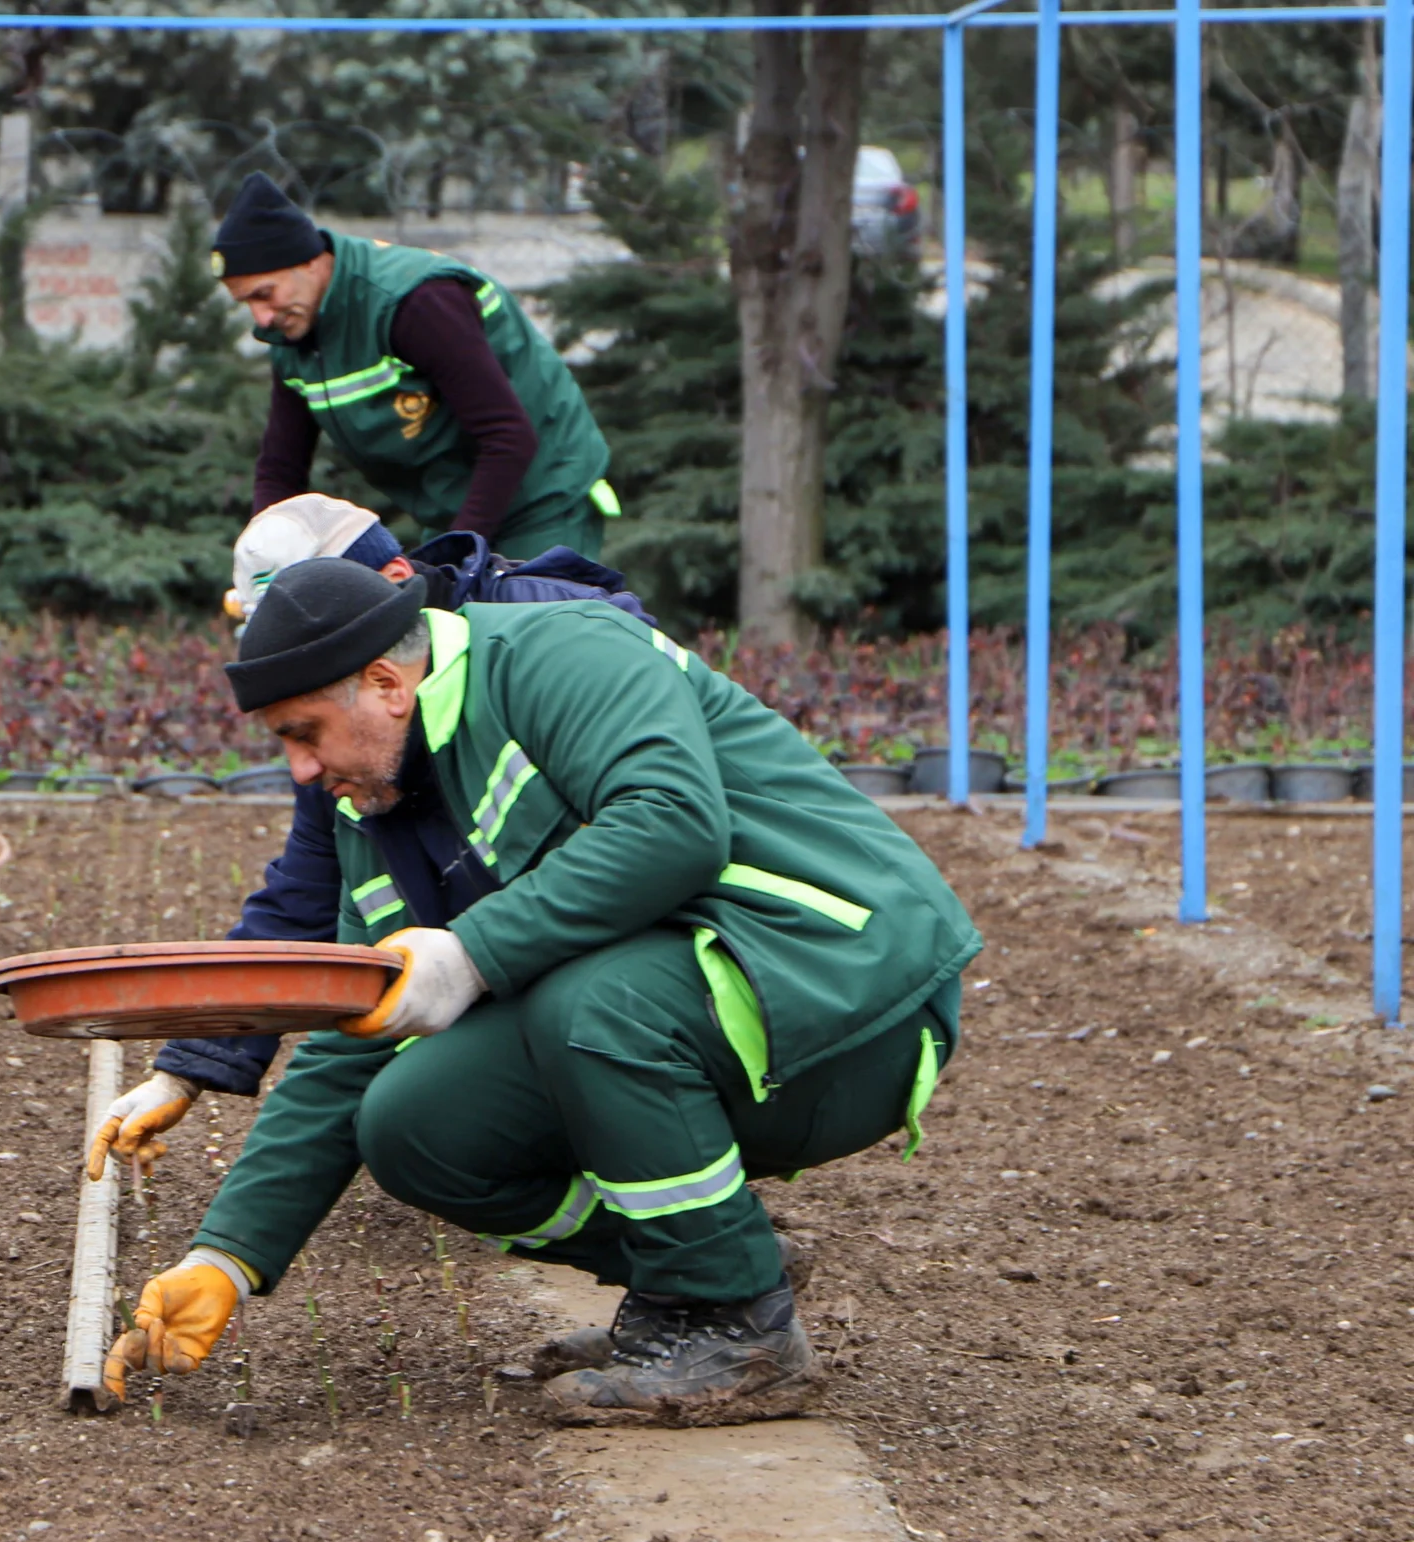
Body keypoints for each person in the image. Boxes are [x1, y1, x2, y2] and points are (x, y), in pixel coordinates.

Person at [104, 560, 979, 1423]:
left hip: (851, 997)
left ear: (386, 685)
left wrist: (467, 954)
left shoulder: (563, 654)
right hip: (711, 1015)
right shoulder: (375, 809)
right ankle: (710, 1273)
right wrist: (227, 1257)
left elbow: (671, 823)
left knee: (591, 1004)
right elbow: (353, 1033)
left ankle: (738, 1324)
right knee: (412, 1122)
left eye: (306, 733)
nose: (300, 769)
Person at [88, 491, 652, 1182]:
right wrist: (185, 1070)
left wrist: (474, 957)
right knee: (412, 1104)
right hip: (499, 956)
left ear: (391, 582)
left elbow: (655, 823)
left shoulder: (550, 627)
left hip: (640, 952)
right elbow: (304, 895)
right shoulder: (337, 712)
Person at [215, 171, 616, 563]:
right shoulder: (293, 332)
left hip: (544, 497)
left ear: (309, 262)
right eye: (247, 302)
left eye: (265, 294)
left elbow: (508, 436)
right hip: (456, 507)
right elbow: (281, 469)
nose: (261, 317)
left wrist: (458, 559)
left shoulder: (416, 303)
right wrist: (261, 560)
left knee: (514, 608)